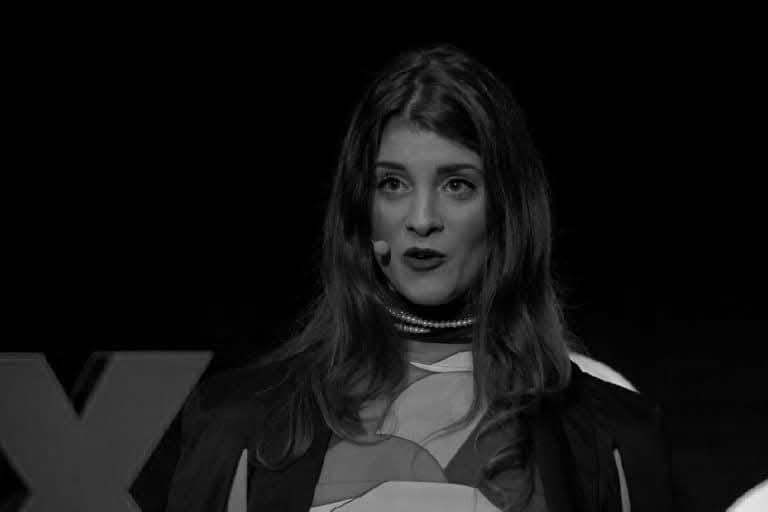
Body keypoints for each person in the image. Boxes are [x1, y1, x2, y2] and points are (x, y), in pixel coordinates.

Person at [163, 44, 685, 511]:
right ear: (360, 208)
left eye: (457, 185)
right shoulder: (237, 424)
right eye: (393, 184)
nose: (422, 219)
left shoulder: (616, 439)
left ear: (507, 209)